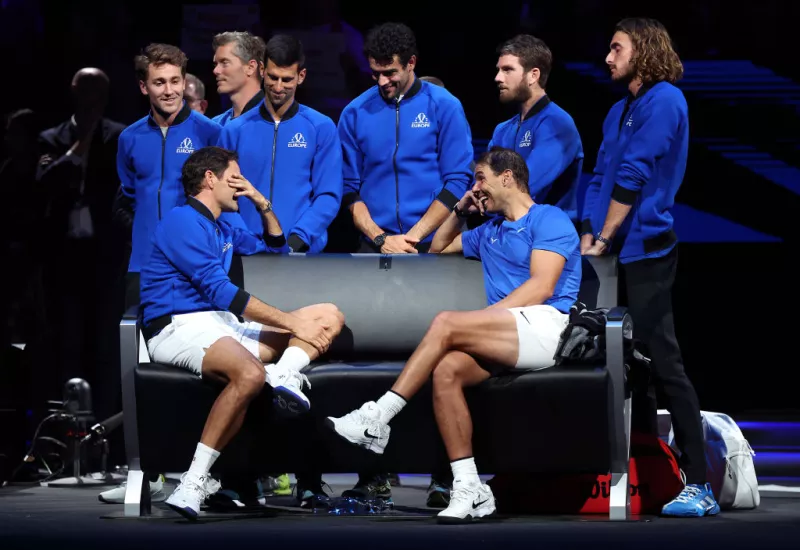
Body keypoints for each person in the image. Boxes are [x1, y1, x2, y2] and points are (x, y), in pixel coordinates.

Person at [327, 147, 581, 523]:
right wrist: (461, 209)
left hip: (548, 327)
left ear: (507, 177)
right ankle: (469, 488)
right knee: (447, 371)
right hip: (507, 336)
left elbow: (542, 287)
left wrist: (478, 322)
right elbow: (438, 247)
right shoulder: (489, 232)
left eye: (481, 178)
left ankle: (379, 415)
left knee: (447, 322)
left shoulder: (549, 218)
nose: (476, 187)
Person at [139, 146, 344, 519]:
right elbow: (220, 291)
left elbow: (276, 248)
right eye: (235, 179)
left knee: (328, 315)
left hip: (218, 323)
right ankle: (193, 482)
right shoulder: (182, 221)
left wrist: (262, 202)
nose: (240, 186)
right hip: (175, 325)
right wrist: (291, 323)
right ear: (210, 178)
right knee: (250, 372)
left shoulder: (224, 227)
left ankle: (283, 373)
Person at [580, 18, 719, 518]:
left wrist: (608, 235)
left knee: (665, 363)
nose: (608, 57)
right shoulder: (619, 110)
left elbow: (636, 173)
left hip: (648, 251)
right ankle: (642, 468)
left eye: (616, 48)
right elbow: (600, 177)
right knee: (621, 367)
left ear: (643, 52)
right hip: (608, 252)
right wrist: (590, 238)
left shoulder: (665, 100)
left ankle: (699, 483)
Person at [101, 44, 221, 505]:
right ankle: (144, 474)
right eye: (159, 83)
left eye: (175, 81)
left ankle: (202, 473)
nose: (169, 91)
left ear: (184, 81)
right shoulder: (131, 138)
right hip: (142, 270)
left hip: (196, 270)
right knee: (140, 373)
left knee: (200, 369)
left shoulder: (209, 131)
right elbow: (128, 195)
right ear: (143, 87)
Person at [339, 22, 474, 254]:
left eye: (390, 72)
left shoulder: (444, 106)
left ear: (411, 63)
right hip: (376, 244)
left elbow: (458, 179)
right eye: (375, 73)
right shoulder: (355, 112)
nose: (382, 82)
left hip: (437, 242)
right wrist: (381, 238)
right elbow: (348, 187)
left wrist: (411, 238)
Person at [218, 34, 342, 254]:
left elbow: (328, 194)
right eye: (273, 77)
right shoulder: (234, 130)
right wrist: (246, 242)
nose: (278, 87)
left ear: (301, 76)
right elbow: (222, 192)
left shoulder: (321, 127)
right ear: (262, 71)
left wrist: (297, 240)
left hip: (302, 252)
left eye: (287, 80)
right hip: (247, 252)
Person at [489, 35, 583, 223]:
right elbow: (486, 183)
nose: (497, 78)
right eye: (499, 70)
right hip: (504, 231)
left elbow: (525, 186)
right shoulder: (502, 129)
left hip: (546, 235)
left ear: (533, 75)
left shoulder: (558, 124)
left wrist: (487, 192)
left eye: (507, 70)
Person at [211, 31, 266, 126]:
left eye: (224, 62)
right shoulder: (216, 125)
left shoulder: (274, 120)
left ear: (250, 67)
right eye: (216, 64)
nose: (216, 70)